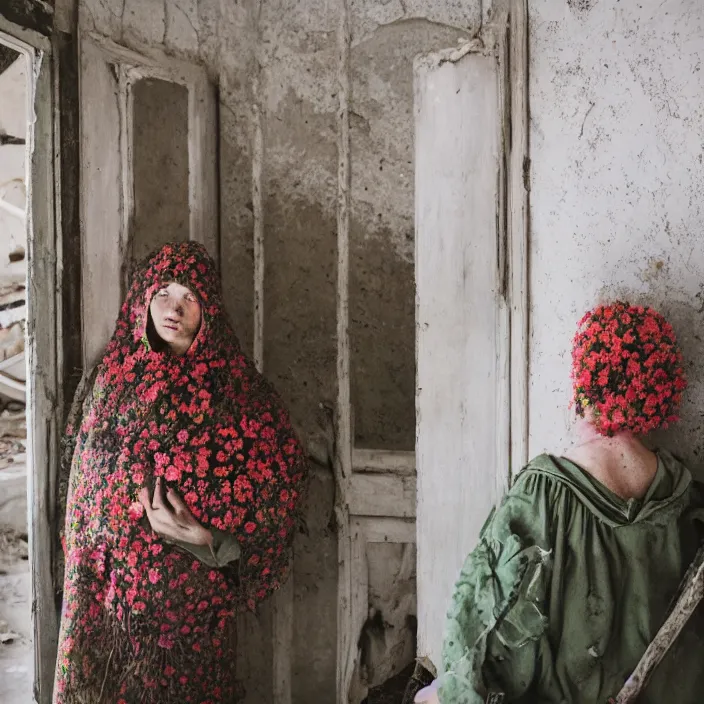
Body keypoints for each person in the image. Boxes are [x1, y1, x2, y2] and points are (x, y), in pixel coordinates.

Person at [53, 242, 308, 704]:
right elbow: (78, 488)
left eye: (189, 296)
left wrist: (208, 539)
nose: (173, 307)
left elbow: (280, 492)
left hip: (189, 620)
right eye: (163, 291)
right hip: (106, 611)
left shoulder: (240, 395)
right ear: (143, 296)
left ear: (209, 308)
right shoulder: (109, 379)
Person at [418, 301, 704, 703]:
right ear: (655, 396)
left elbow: (481, 633)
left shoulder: (542, 493)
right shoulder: (685, 498)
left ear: (584, 385)